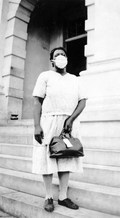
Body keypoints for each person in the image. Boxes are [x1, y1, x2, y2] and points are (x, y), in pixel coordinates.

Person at [32, 47, 87, 212]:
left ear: (67, 59)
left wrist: (70, 119)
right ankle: (48, 196)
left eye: (63, 54)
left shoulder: (75, 79)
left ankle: (63, 196)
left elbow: (82, 101)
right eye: (57, 55)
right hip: (48, 122)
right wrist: (36, 125)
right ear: (52, 60)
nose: (61, 57)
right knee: (47, 159)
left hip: (68, 125)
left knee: (66, 158)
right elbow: (37, 101)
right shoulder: (45, 76)